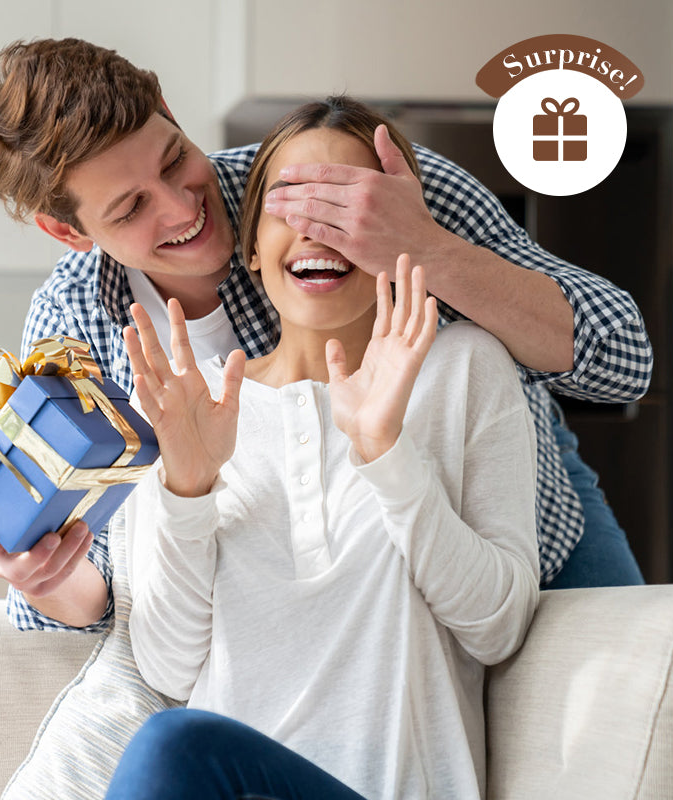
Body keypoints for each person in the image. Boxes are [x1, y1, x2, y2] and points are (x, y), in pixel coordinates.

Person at [0, 37, 648, 633]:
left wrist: (427, 247)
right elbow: (97, 595)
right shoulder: (76, 331)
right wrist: (46, 574)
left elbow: (623, 359)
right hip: (325, 608)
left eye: (174, 161)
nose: (182, 207)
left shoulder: (349, 185)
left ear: (171, 112)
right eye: (131, 206)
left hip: (524, 519)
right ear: (68, 232)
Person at [110, 96, 540, 799]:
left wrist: (387, 456)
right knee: (170, 739)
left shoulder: (461, 369)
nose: (317, 227)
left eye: (345, 204)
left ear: (396, 235)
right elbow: (167, 667)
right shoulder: (196, 409)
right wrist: (187, 486)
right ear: (249, 245)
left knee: (170, 745)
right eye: (290, 201)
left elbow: (499, 630)